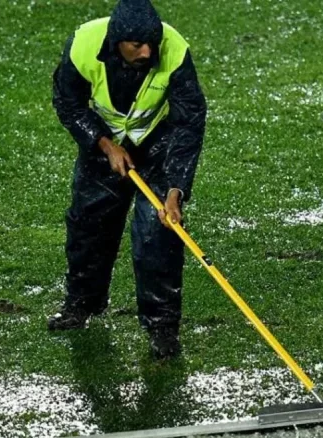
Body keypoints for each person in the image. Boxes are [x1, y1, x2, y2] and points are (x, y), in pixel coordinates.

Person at [49, 0, 206, 360]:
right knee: (88, 223)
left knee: (158, 234)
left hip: (158, 144)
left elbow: (188, 123)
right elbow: (68, 103)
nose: (148, 51)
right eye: (137, 45)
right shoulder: (84, 44)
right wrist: (104, 144)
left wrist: (175, 191)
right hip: (105, 144)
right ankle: (82, 304)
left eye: (152, 43)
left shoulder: (175, 51)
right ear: (117, 41)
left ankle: (162, 328)